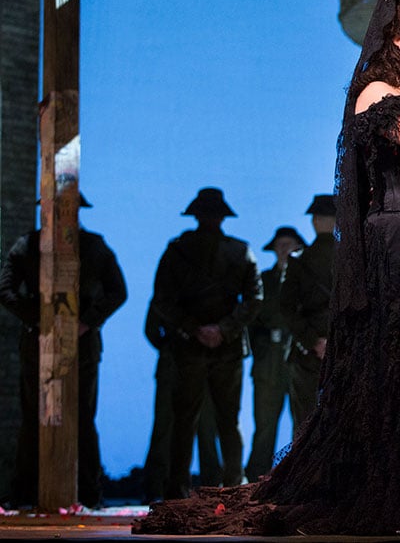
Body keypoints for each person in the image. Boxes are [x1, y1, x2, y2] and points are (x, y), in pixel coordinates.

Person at [133, 0, 400, 536]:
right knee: (397, 366)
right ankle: (389, 486)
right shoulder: (377, 94)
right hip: (396, 248)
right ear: (398, 42)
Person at [0, 194, 127, 509]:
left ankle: (87, 493)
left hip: (80, 346)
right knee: (35, 420)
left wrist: (85, 322)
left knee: (81, 418)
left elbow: (118, 291)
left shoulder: (93, 247)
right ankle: (26, 494)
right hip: (40, 343)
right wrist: (41, 320)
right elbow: (5, 289)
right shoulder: (28, 246)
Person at [149, 187, 262, 499]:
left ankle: (177, 491)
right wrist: (222, 330)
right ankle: (233, 487)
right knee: (227, 420)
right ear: (223, 217)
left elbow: (162, 300)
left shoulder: (178, 250)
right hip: (222, 348)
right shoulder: (241, 251)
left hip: (191, 347)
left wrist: (196, 329)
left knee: (186, 421)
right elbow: (255, 299)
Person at [244, 226, 305, 482]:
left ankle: (298, 477)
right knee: (265, 424)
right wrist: (260, 350)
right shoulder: (264, 280)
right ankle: (257, 476)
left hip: (299, 359)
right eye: (280, 245)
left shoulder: (306, 279)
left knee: (302, 423)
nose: (284, 250)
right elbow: (251, 319)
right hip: (268, 361)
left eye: (289, 245)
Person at [143, 308, 223, 501]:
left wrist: (170, 346)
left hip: (183, 363)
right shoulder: (188, 292)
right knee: (179, 427)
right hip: (187, 363)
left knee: (190, 427)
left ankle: (161, 487)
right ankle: (209, 486)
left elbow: (151, 328)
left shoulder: (172, 290)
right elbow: (151, 328)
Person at [279, 197, 334, 430]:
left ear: (315, 221)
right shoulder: (352, 257)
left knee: (303, 425)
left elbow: (286, 308)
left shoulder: (298, 261)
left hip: (306, 353)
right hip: (343, 349)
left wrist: (312, 341)